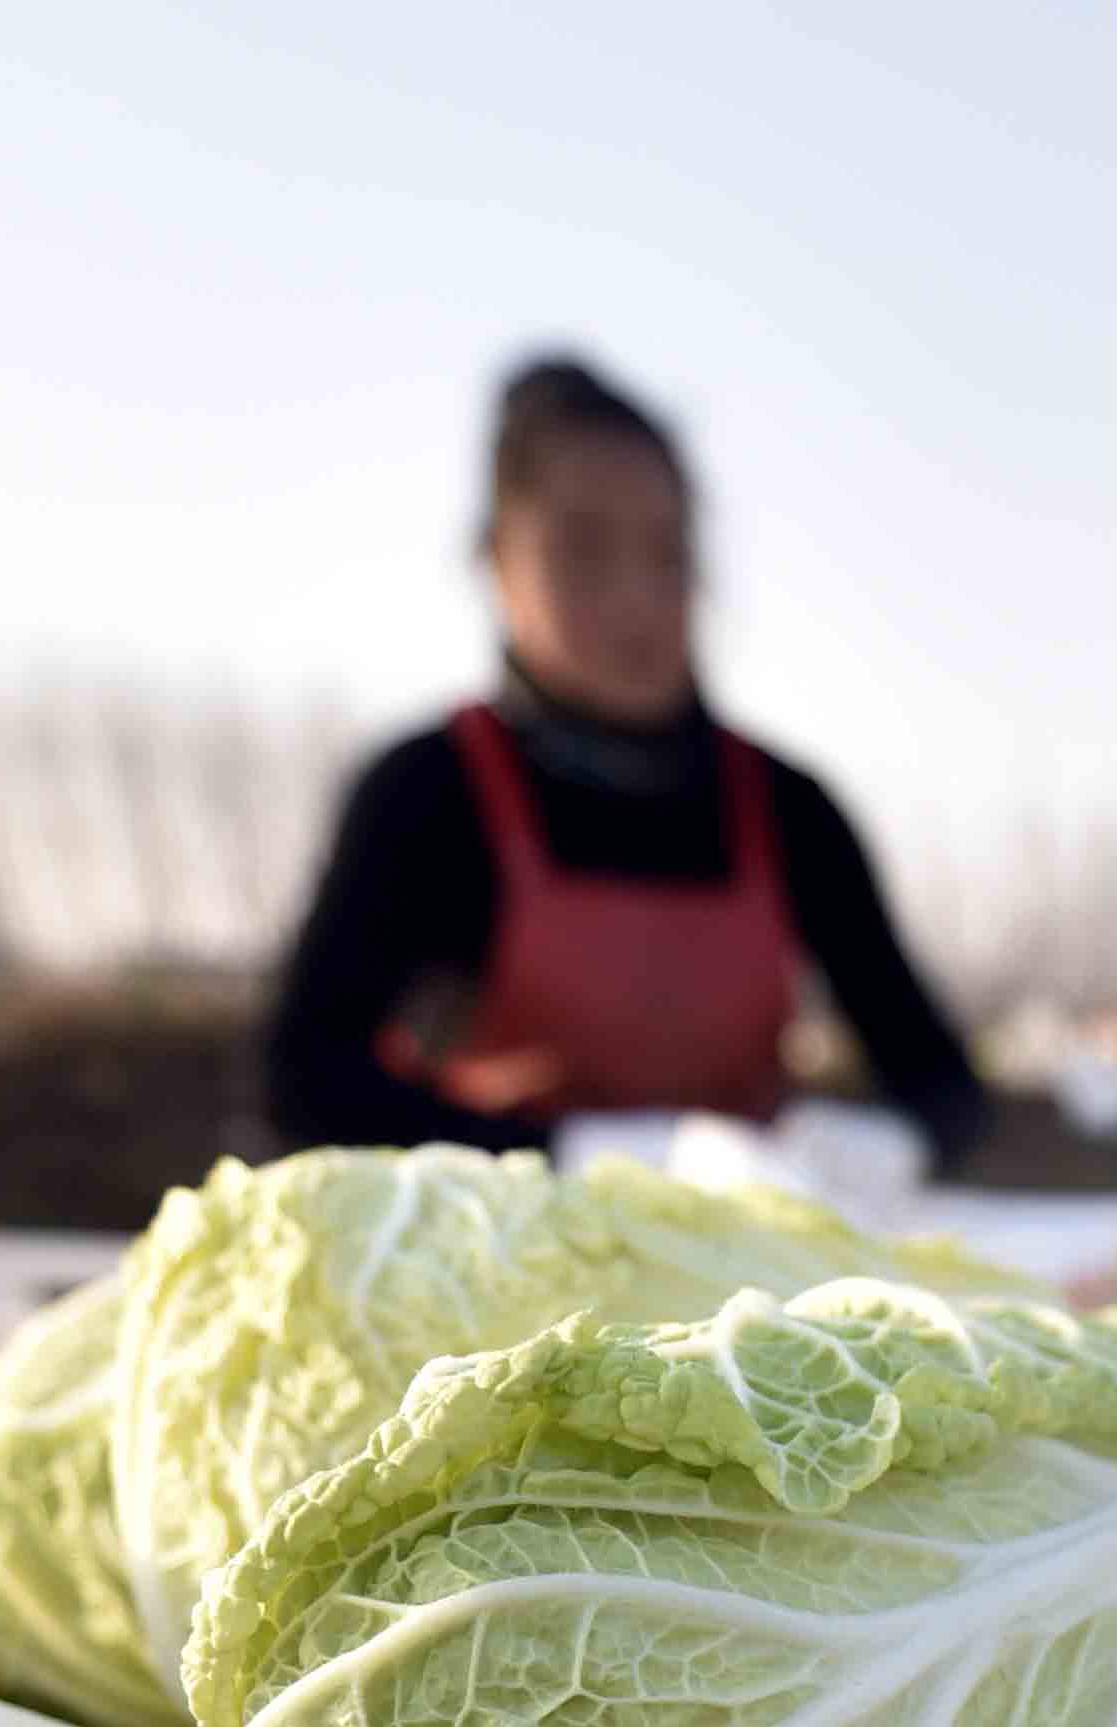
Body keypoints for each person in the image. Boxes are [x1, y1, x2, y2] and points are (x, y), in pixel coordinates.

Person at [256, 355, 986, 1164]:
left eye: (667, 553)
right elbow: (302, 1082)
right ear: (499, 564)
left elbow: (944, 1084)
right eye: (586, 550)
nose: (636, 597)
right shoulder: (426, 796)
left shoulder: (791, 809)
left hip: (735, 1261)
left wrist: (890, 1146)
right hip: (507, 1265)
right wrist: (576, 1152)